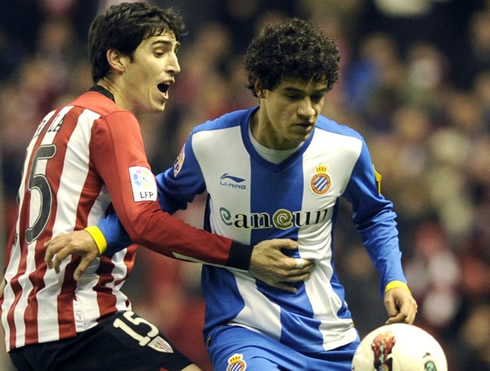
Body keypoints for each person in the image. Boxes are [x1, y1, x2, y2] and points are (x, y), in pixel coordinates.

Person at [45, 18, 418, 370]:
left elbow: (374, 214)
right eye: (293, 95)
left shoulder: (345, 148)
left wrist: (395, 279)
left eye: (317, 96)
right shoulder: (210, 144)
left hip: (329, 335)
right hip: (243, 331)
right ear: (261, 87)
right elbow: (156, 201)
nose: (308, 111)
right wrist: (99, 236)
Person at [0, 4, 314, 371]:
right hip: (79, 320)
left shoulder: (56, 118)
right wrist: (247, 257)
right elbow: (144, 222)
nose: (175, 65)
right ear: (117, 59)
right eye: (160, 51)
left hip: (24, 329)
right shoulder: (113, 120)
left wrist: (99, 237)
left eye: (176, 52)